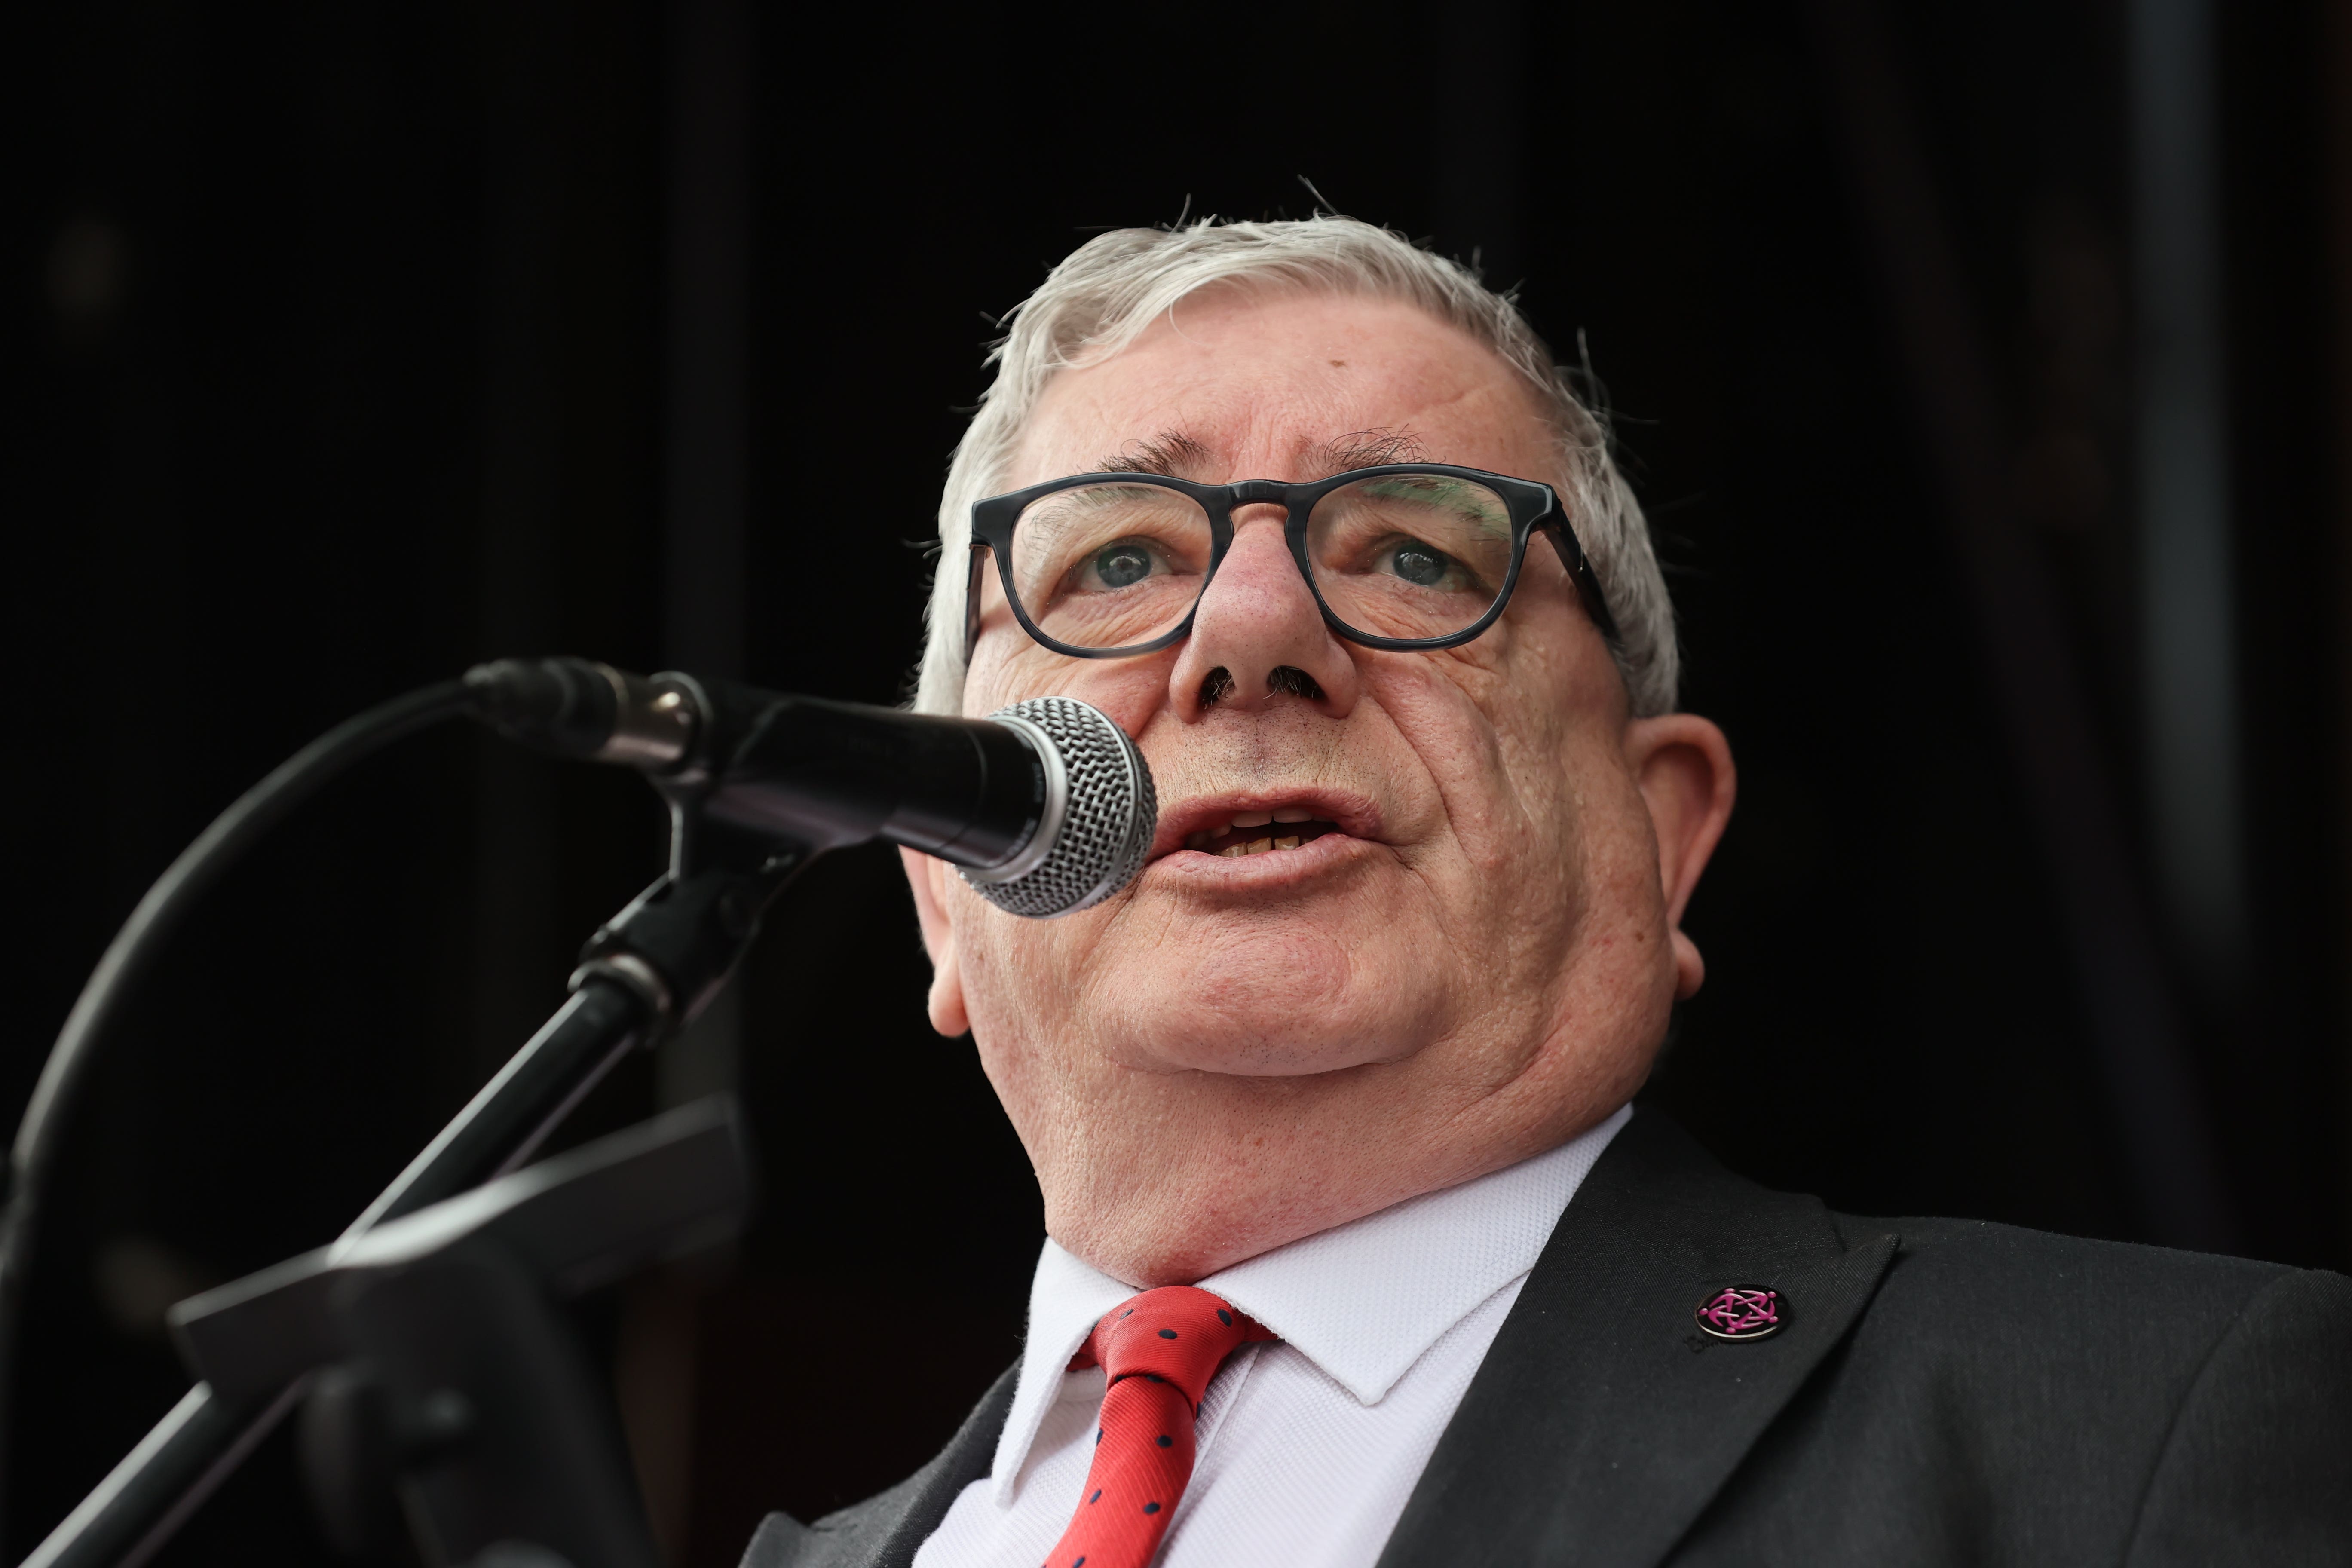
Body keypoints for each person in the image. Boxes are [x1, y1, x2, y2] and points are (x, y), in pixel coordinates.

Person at [741, 217, 2352, 1568]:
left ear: (1664, 835)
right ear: (944, 897)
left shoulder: (2142, 1431)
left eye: (1414, 557)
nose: (1247, 633)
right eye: (1115, 565)